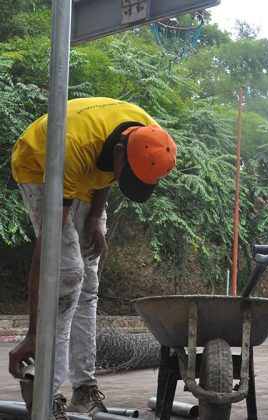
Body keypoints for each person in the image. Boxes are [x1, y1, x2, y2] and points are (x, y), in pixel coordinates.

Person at [8, 97, 177, 418]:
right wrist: (32, 333)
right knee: (68, 275)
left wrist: (94, 219)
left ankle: (84, 390)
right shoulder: (74, 145)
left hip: (83, 173)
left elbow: (108, 173)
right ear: (120, 152)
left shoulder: (149, 138)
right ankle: (46, 394)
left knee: (89, 285)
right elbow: (48, 249)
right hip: (42, 165)